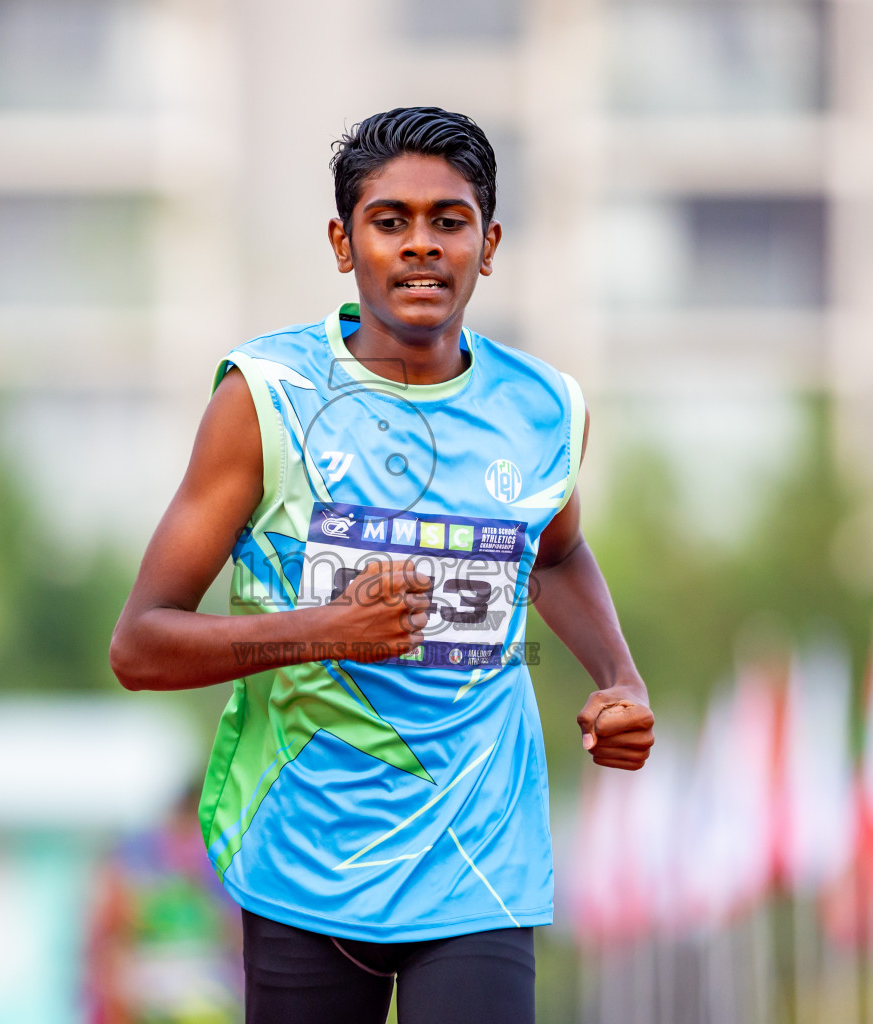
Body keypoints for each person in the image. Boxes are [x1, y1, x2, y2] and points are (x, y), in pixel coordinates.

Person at [110, 106, 654, 1024]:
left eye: (449, 221)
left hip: (479, 857)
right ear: (342, 242)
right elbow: (141, 647)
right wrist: (325, 631)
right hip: (307, 856)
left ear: (488, 245)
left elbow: (555, 555)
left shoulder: (545, 408)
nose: (420, 247)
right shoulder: (267, 399)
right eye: (389, 221)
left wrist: (620, 676)